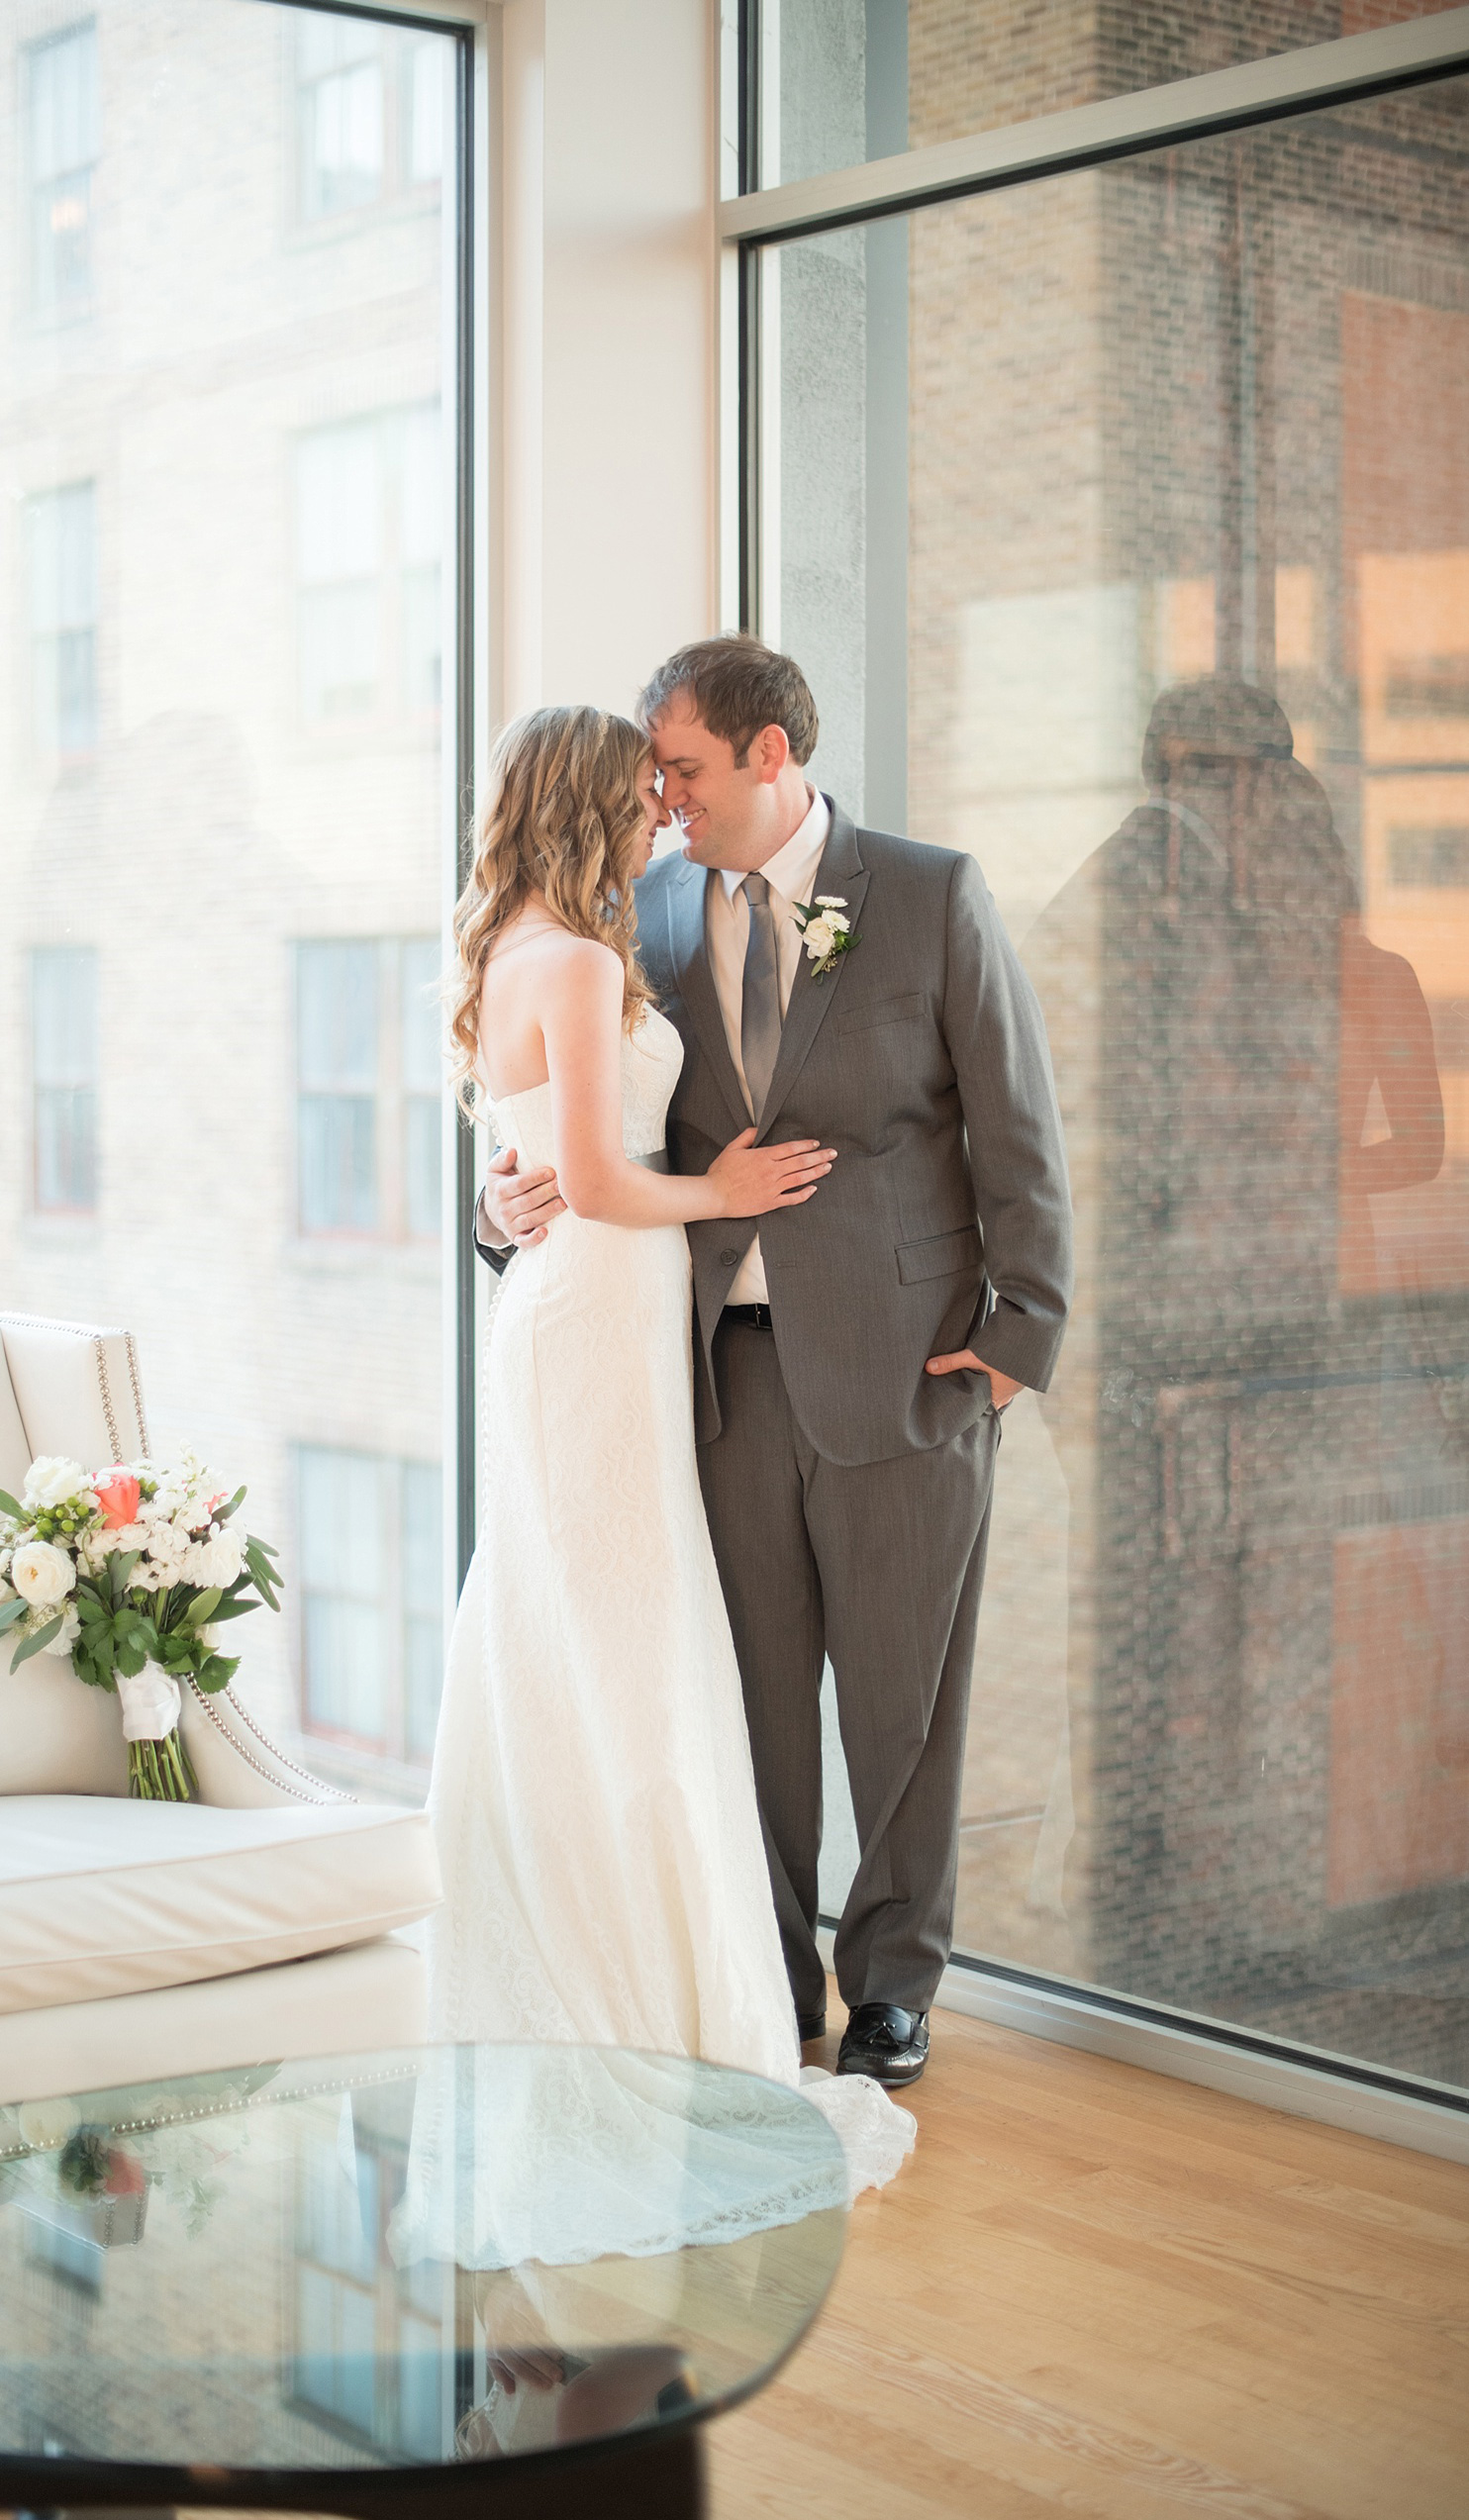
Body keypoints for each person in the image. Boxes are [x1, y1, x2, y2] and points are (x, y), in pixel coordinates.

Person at [479, 638, 1074, 2087]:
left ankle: (892, 1983)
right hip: (705, 1379)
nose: (662, 798)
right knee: (741, 1701)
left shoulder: (928, 894)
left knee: (902, 1705)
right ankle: (765, 1969)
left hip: (908, 1370)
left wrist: (1012, 1345)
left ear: (769, 753)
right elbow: (575, 1128)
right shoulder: (644, 917)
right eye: (652, 774)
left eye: (682, 766)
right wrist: (500, 1215)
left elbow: (1018, 1128)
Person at [424, 700, 913, 2213]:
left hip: (604, 1326)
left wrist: (574, 1195)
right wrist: (730, 1187)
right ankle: (645, 2004)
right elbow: (586, 1179)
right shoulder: (568, 958)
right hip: (593, 1323)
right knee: (631, 1650)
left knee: (600, 1638)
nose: (660, 814)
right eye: (639, 793)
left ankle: (638, 1978)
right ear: (585, 800)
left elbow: (535, 1167)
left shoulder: (523, 942)